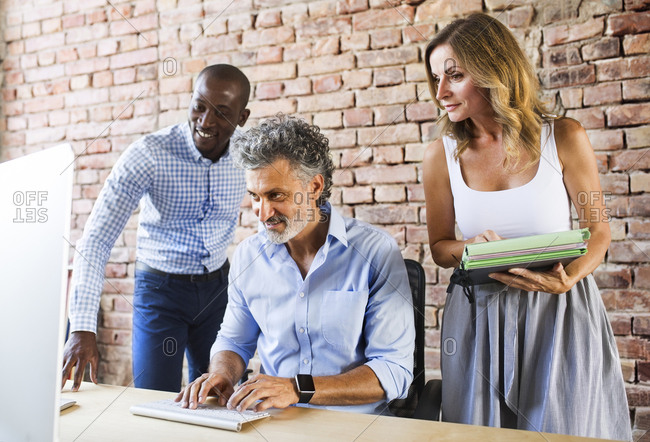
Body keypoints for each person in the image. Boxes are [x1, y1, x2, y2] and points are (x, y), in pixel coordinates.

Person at [422, 13, 631, 440]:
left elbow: (599, 230)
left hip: (558, 310)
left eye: (454, 76)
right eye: (436, 79)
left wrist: (567, 279)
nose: (441, 91)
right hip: (478, 315)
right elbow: (440, 248)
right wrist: (469, 245)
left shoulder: (565, 137)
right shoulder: (439, 156)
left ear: (494, 71)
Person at [175, 114, 414, 414]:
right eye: (255, 197)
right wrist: (222, 374)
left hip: (354, 427)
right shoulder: (248, 256)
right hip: (273, 424)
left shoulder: (375, 252)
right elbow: (234, 341)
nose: (263, 213)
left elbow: (394, 371)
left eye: (276, 195)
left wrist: (296, 389)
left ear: (314, 187)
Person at [61, 64, 251, 393]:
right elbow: (95, 239)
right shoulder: (148, 154)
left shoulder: (249, 155)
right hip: (160, 293)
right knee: (154, 399)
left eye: (221, 113)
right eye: (199, 106)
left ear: (242, 118)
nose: (205, 122)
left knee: (222, 398)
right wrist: (81, 328)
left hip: (218, 292)